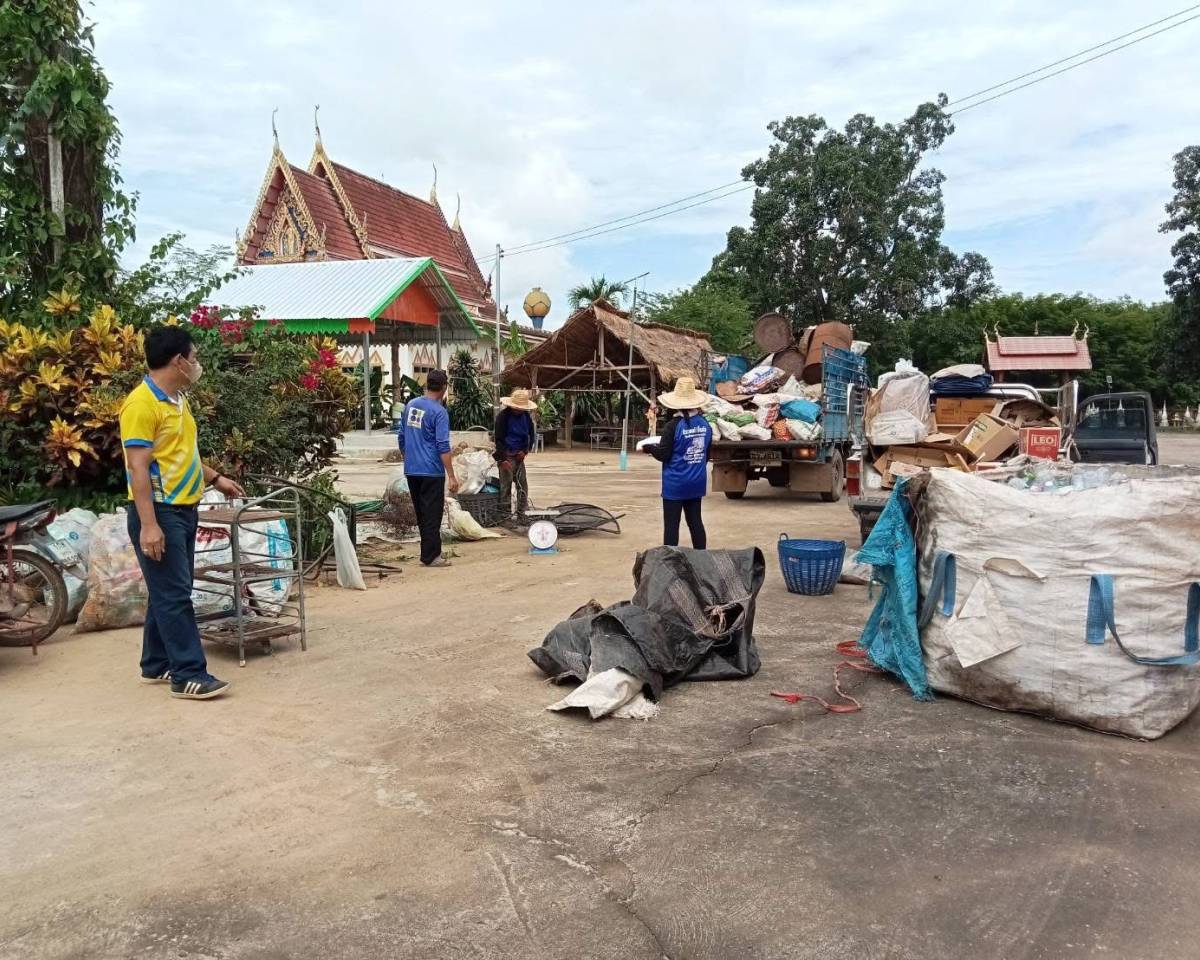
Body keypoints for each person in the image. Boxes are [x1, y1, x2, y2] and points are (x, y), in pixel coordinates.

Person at [120, 325, 245, 700]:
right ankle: (188, 673)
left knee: (171, 589)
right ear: (178, 361)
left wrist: (215, 477)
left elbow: (181, 455)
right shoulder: (141, 405)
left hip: (183, 509)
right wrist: (148, 526)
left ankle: (155, 663)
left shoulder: (175, 401)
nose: (197, 364)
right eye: (194, 358)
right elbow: (138, 469)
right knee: (175, 595)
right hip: (160, 513)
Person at [398, 369, 459, 567]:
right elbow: (442, 445)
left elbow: (401, 437)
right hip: (431, 470)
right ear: (444, 388)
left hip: (412, 470)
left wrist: (410, 459)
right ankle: (432, 556)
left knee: (421, 513)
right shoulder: (439, 412)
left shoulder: (411, 405)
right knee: (432, 513)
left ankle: (427, 554)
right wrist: (451, 475)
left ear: (426, 385)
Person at [648, 376, 713, 549]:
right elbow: (706, 455)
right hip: (697, 482)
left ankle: (671, 561)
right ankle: (701, 558)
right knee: (695, 522)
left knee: (671, 525)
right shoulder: (706, 424)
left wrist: (649, 448)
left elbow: (664, 454)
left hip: (675, 484)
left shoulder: (672, 426)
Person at [494, 388, 538, 517]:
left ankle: (522, 512)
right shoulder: (503, 417)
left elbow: (531, 434)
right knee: (505, 487)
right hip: (506, 454)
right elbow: (499, 439)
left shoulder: (526, 417)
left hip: (519, 455)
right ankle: (504, 514)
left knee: (522, 485)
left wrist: (525, 451)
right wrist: (503, 460)